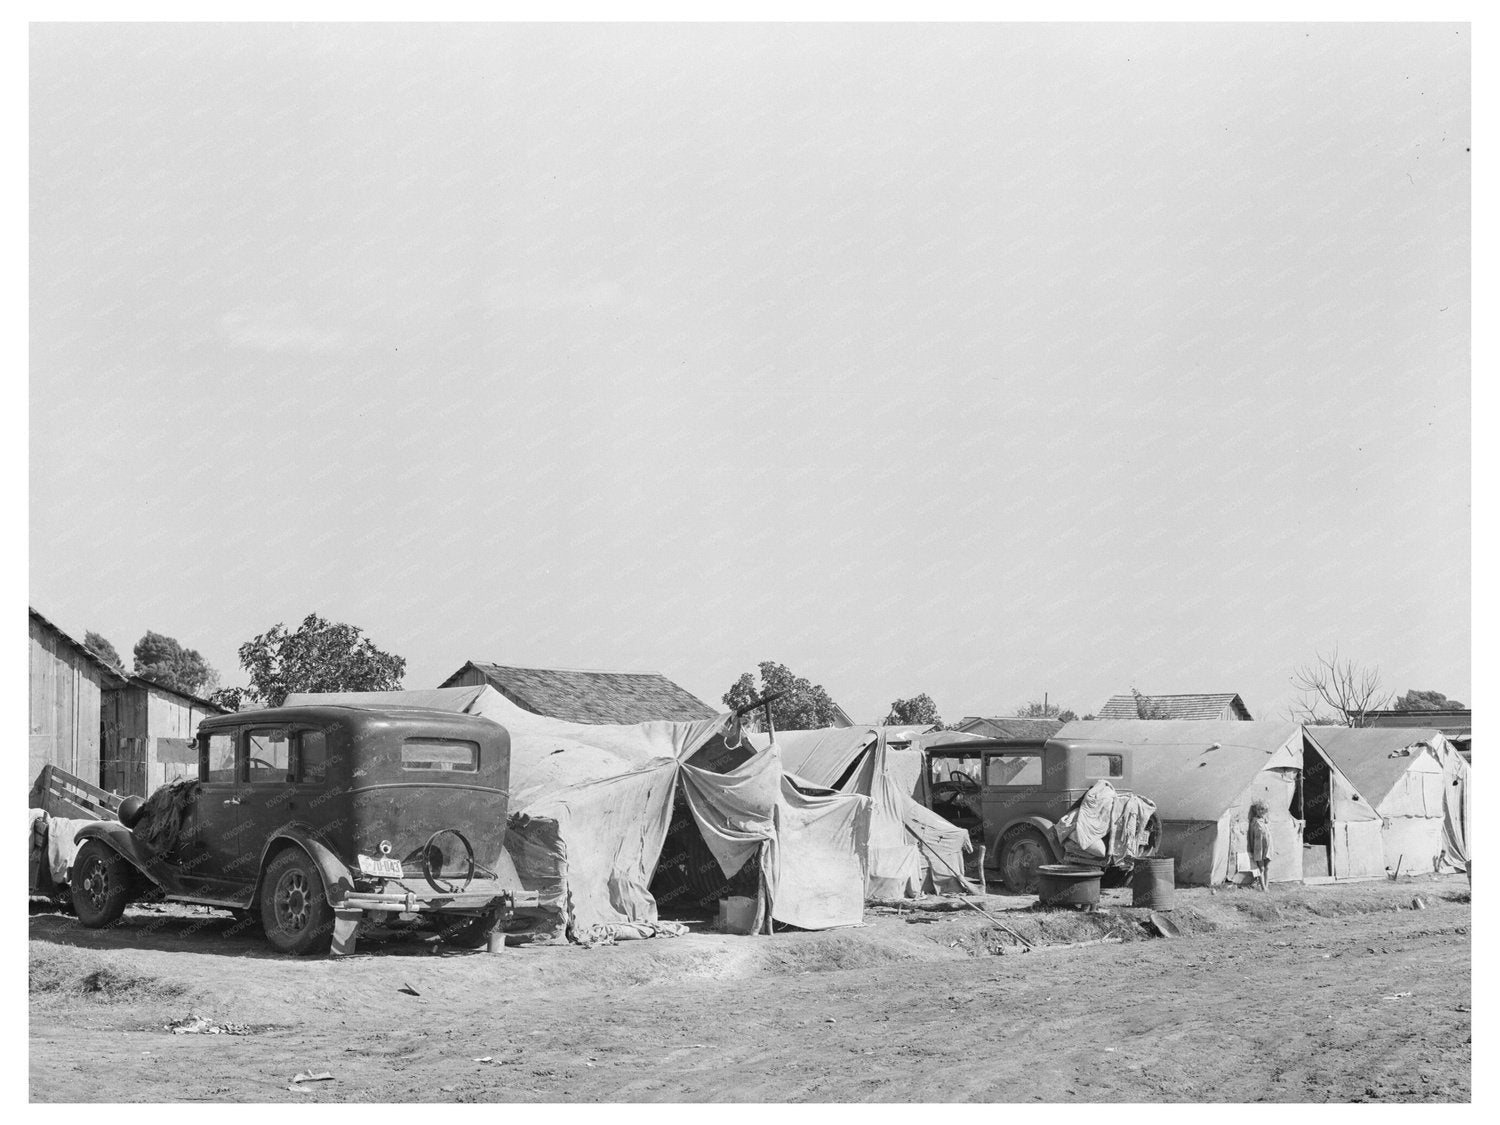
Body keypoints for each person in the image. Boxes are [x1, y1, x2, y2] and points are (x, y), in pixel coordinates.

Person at [1247, 800, 1275, 891]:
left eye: (1262, 809)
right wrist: (1251, 847)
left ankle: (1267, 886)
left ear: (1266, 811)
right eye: (1258, 809)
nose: (1260, 811)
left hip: (1267, 846)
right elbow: (1251, 835)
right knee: (1261, 868)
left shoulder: (1267, 821)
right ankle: (1263, 887)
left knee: (1267, 867)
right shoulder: (1254, 821)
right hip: (1259, 847)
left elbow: (1269, 834)